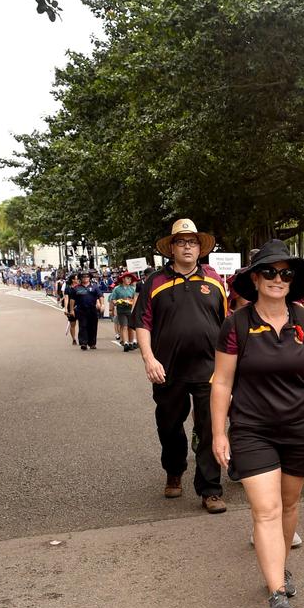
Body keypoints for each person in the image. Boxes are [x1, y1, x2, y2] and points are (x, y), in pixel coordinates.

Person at [209, 240, 304, 608]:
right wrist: (219, 433)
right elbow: (221, 382)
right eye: (269, 271)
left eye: (285, 273)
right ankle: (276, 593)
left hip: (299, 427)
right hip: (252, 429)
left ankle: (280, 567)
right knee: (265, 509)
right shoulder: (236, 324)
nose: (277, 279)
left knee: (288, 506)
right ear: (255, 278)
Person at [132, 219, 228, 513]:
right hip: (167, 370)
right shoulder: (155, 282)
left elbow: (226, 327)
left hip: (208, 370)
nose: (188, 247)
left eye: (193, 242)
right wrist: (149, 358)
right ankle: (174, 470)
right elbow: (142, 323)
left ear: (200, 248)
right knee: (169, 425)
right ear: (171, 248)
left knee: (210, 428)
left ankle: (210, 489)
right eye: (181, 242)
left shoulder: (214, 281)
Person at [68, 272, 102, 351]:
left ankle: (92, 343)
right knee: (83, 326)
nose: (85, 278)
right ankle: (83, 343)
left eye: (87, 277)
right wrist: (71, 310)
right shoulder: (76, 288)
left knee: (93, 326)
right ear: (80, 278)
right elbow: (72, 300)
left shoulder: (95, 287)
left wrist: (102, 304)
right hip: (81, 310)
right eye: (83, 277)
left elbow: (100, 296)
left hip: (92, 309)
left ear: (90, 278)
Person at [111, 272, 139, 351]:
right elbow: (113, 299)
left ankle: (131, 342)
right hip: (121, 310)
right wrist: (116, 302)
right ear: (123, 279)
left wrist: (132, 302)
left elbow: (135, 299)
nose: (129, 280)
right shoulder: (117, 289)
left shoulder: (132, 289)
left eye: (130, 279)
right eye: (127, 278)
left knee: (131, 327)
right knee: (124, 326)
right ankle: (125, 342)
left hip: (131, 310)